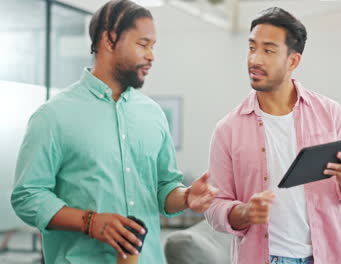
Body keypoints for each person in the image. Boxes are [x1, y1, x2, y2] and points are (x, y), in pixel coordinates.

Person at [10, 1, 218, 263]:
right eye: (143, 44)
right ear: (110, 40)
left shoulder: (152, 115)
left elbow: (164, 189)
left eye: (153, 47)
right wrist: (90, 222)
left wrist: (186, 197)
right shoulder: (53, 116)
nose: (151, 56)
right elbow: (27, 196)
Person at [204, 7, 341, 264]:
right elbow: (215, 207)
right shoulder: (228, 129)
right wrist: (244, 212)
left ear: (293, 61)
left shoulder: (330, 113)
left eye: (268, 50)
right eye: (251, 48)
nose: (255, 59)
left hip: (327, 255)